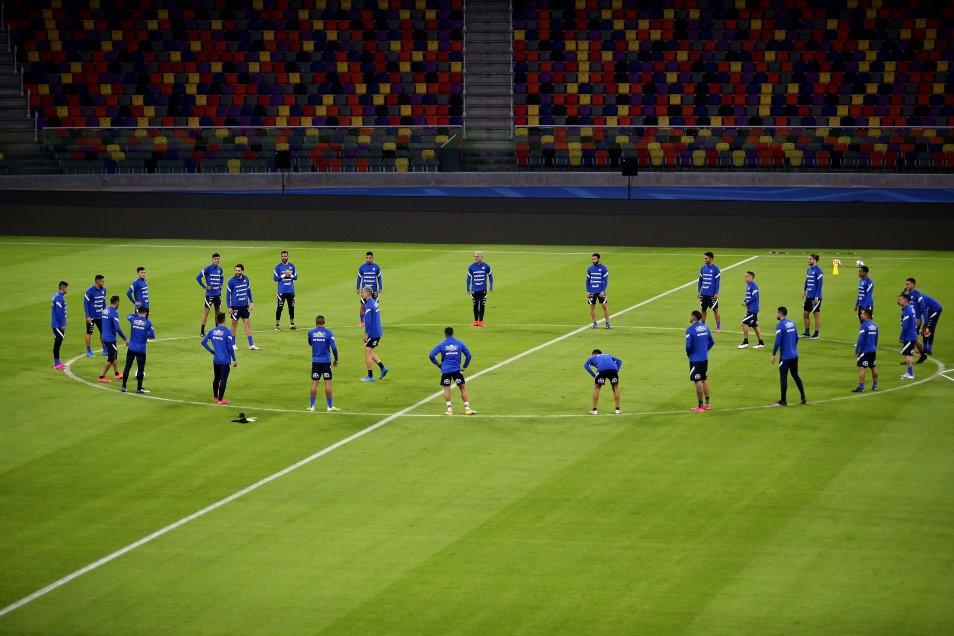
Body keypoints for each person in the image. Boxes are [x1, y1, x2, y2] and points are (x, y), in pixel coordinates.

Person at [429, 326, 475, 415]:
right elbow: (469, 355)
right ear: (453, 333)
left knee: (447, 389)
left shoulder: (441, 344)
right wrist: (464, 366)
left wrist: (437, 363)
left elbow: (431, 355)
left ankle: (449, 410)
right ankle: (467, 409)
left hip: (445, 370)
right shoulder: (459, 343)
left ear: (445, 334)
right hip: (456, 370)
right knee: (462, 388)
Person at [770, 306, 807, 406]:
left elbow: (777, 341)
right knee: (795, 375)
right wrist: (792, 347)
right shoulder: (792, 323)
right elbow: (796, 338)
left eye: (777, 312)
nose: (776, 314)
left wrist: (773, 354)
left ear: (780, 313)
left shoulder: (780, 325)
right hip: (794, 355)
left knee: (783, 377)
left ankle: (783, 401)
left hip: (785, 357)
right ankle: (803, 397)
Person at [201, 312, 237, 404]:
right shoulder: (227, 332)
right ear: (224, 320)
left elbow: (203, 342)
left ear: (217, 321)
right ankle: (221, 399)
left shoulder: (212, 331)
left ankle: (215, 397)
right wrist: (234, 359)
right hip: (225, 361)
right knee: (223, 379)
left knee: (216, 378)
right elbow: (230, 347)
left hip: (216, 360)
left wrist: (211, 351)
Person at [307, 314, 340, 412]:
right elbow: (334, 348)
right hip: (326, 362)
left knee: (314, 383)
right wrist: (336, 359)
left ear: (316, 323)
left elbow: (310, 343)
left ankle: (312, 406)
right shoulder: (329, 333)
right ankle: (329, 406)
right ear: (324, 323)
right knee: (328, 383)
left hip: (315, 362)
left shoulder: (311, 333)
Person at [121, 306, 155, 394]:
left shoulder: (133, 319)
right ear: (146, 313)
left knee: (127, 367)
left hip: (131, 348)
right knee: (140, 368)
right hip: (141, 350)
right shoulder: (148, 323)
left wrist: (136, 315)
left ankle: (124, 386)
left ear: (138, 312)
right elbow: (152, 336)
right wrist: (145, 334)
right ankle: (139, 388)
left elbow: (128, 316)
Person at [227, 264, 260, 351]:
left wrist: (251, 302)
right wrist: (229, 306)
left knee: (248, 324)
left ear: (242, 271)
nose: (237, 272)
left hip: (245, 306)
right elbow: (228, 294)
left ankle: (251, 344)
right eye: (236, 270)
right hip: (235, 306)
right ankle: (233, 344)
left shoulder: (246, 279)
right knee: (234, 325)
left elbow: (248, 291)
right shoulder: (231, 281)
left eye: (239, 270)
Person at [686, 310, 714, 411]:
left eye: (690, 315)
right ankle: (707, 403)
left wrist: (689, 354)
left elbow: (688, 346)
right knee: (704, 379)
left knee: (697, 380)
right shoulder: (705, 327)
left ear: (693, 317)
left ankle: (700, 406)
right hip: (704, 358)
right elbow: (712, 341)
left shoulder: (690, 330)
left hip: (695, 359)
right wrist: (705, 350)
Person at [360, 286, 389, 381]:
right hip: (377, 331)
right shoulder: (374, 303)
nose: (362, 294)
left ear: (368, 293)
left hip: (373, 333)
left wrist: (366, 333)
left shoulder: (368, 305)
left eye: (363, 292)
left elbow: (367, 321)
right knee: (370, 351)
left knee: (367, 353)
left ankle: (370, 376)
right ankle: (383, 368)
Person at [98, 295, 128, 383]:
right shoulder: (114, 313)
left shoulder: (105, 310)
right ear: (117, 302)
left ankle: (117, 373)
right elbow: (117, 328)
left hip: (104, 336)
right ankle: (102, 376)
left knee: (114, 354)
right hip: (110, 338)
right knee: (111, 357)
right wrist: (125, 339)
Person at [583, 348, 622, 415]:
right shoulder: (608, 355)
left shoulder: (592, 357)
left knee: (597, 387)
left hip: (602, 370)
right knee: (615, 387)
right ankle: (617, 409)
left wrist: (593, 375)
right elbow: (619, 361)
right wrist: (617, 370)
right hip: (613, 370)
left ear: (593, 354)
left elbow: (586, 365)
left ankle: (594, 410)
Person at [902, 278, 929, 364]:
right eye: (906, 284)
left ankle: (911, 358)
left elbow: (923, 307)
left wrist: (925, 321)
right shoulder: (908, 294)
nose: (906, 286)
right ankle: (922, 355)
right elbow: (899, 301)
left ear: (913, 284)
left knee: (910, 338)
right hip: (910, 320)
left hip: (916, 320)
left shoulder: (917, 294)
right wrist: (903, 292)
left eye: (908, 284)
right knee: (914, 339)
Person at [196, 253, 223, 336]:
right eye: (215, 259)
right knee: (206, 312)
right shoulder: (207, 269)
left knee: (218, 312)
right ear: (212, 260)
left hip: (218, 294)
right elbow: (198, 277)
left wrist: (221, 284)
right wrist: (205, 286)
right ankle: (202, 331)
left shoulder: (220, 269)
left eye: (218, 259)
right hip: (210, 295)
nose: (216, 260)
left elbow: (222, 277)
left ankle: (217, 329)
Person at [852, 308, 879, 392]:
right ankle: (875, 385)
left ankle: (861, 387)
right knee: (873, 367)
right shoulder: (875, 326)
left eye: (862, 314)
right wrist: (874, 347)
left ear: (866, 315)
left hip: (865, 350)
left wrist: (857, 350)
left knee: (862, 367)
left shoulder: (864, 325)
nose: (860, 315)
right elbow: (876, 339)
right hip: (872, 350)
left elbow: (861, 339)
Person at [738, 270, 765, 349]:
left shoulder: (753, 285)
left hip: (753, 309)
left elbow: (755, 297)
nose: (744, 277)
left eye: (746, 276)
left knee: (744, 323)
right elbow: (751, 296)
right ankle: (761, 343)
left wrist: (747, 303)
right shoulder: (749, 285)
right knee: (754, 325)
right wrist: (746, 300)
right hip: (752, 308)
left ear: (750, 277)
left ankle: (745, 342)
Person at [466, 251, 493, 326]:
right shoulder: (471, 267)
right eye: (475, 256)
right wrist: (467, 288)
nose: (476, 258)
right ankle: (475, 321)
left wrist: (491, 286)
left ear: (481, 257)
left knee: (482, 305)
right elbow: (468, 278)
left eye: (477, 256)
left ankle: (481, 321)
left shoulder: (486, 266)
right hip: (474, 289)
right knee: (475, 305)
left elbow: (490, 276)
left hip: (483, 289)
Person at [356, 251, 382, 327]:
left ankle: (375, 321)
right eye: (366, 258)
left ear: (372, 258)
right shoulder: (362, 267)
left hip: (374, 290)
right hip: (365, 291)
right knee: (362, 305)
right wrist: (358, 287)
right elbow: (359, 278)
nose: (368, 259)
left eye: (369, 258)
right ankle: (362, 321)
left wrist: (380, 287)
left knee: (375, 306)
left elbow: (379, 277)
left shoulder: (376, 267)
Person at [83, 274, 107, 357]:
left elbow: (103, 302)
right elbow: (85, 304)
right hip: (91, 317)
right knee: (89, 333)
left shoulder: (104, 290)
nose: (104, 282)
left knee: (103, 332)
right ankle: (89, 351)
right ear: (97, 281)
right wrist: (88, 316)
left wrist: (105, 312)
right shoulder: (89, 291)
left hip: (100, 316)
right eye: (102, 281)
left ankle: (105, 349)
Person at [274, 250, 298, 331]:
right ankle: (277, 324)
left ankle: (292, 324)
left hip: (291, 290)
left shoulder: (292, 266)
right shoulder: (278, 267)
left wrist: (289, 274)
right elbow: (275, 278)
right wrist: (284, 274)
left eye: (285, 256)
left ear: (288, 257)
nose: (284, 257)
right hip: (281, 291)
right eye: (283, 256)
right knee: (280, 308)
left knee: (291, 307)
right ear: (281, 257)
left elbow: (296, 277)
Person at [697, 251, 721, 331]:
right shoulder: (703, 268)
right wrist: (698, 291)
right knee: (703, 310)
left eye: (706, 258)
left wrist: (716, 292)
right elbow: (700, 280)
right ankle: (703, 325)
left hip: (712, 294)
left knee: (715, 310)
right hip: (703, 293)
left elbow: (717, 282)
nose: (704, 259)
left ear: (711, 259)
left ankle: (718, 327)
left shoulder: (716, 269)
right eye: (704, 258)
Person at [586, 252, 610, 329]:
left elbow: (605, 281)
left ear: (598, 259)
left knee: (604, 306)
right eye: (592, 259)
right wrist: (588, 290)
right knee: (592, 307)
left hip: (600, 291)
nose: (593, 260)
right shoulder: (590, 268)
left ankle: (607, 323)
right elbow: (588, 280)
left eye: (594, 259)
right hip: (592, 291)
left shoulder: (604, 268)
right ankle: (594, 323)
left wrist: (603, 290)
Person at [801, 254, 823, 338]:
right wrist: (804, 290)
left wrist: (817, 296)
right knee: (805, 314)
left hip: (815, 297)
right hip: (809, 297)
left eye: (810, 259)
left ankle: (816, 334)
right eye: (808, 259)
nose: (808, 261)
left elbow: (820, 284)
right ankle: (807, 333)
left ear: (814, 260)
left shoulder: (819, 271)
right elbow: (807, 281)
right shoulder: (808, 270)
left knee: (816, 315)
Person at [898, 293, 918, 380]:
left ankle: (911, 374)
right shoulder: (909, 308)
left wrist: (901, 337)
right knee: (907, 354)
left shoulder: (907, 311)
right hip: (911, 335)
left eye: (900, 299)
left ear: (905, 300)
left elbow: (905, 326)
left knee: (907, 354)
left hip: (909, 336)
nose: (899, 301)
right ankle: (909, 372)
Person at [51, 280, 69, 370]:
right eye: (67, 288)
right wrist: (63, 324)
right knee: (58, 342)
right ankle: (56, 363)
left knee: (58, 342)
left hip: (57, 324)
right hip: (57, 324)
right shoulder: (59, 298)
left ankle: (58, 362)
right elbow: (59, 312)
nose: (68, 290)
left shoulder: (58, 296)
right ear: (63, 288)